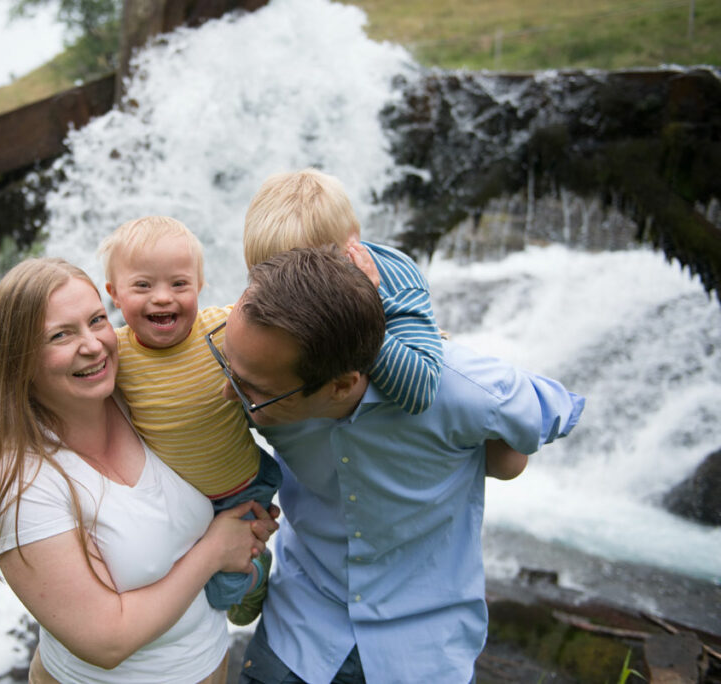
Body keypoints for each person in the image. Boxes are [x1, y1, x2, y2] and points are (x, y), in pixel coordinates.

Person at [209, 247, 585, 683]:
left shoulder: (458, 388)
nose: (228, 394)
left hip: (420, 654)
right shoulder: (257, 369)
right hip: (298, 636)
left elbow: (550, 412)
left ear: (341, 386)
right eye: (229, 368)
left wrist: (497, 451)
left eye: (254, 390)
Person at [0, 257, 276, 684]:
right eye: (61, 335)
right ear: (18, 361)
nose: (93, 345)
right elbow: (107, 641)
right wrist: (215, 550)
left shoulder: (136, 393)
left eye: (97, 320)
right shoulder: (19, 480)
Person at [244, 167, 528, 479]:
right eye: (269, 280)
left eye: (305, 284)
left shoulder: (398, 280)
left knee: (508, 462)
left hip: (411, 445)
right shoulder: (271, 271)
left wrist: (364, 315)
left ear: (351, 249)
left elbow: (420, 391)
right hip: (331, 455)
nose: (285, 297)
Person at [97, 216, 281, 625]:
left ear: (199, 286)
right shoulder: (115, 354)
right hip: (180, 500)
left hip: (242, 487)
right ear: (114, 294)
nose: (162, 298)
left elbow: (285, 316)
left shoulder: (222, 329)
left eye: (179, 284)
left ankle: (258, 576)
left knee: (224, 598)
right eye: (143, 286)